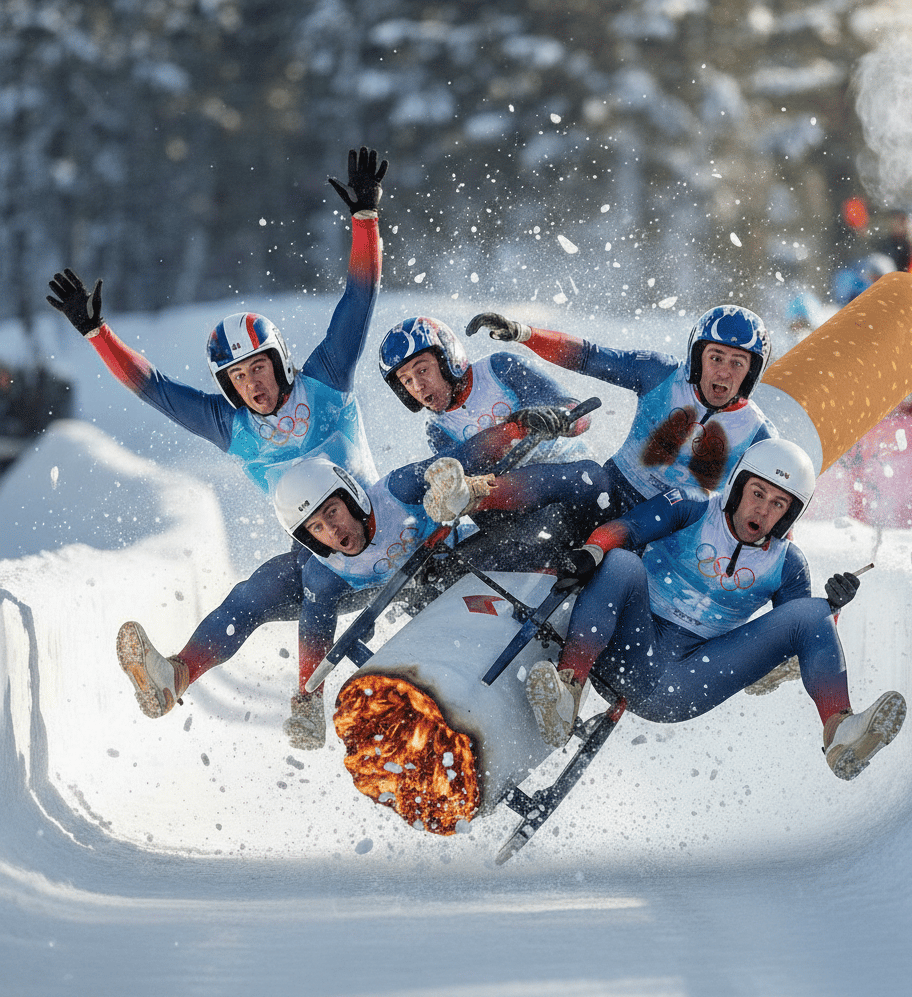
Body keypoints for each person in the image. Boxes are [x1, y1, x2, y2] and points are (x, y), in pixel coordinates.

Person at [47, 147, 389, 736]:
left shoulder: (327, 379)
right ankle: (175, 677)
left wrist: (364, 219)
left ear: (280, 362)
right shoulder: (227, 426)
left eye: (258, 368)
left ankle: (308, 695)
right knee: (251, 595)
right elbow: (151, 387)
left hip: (380, 534)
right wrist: (98, 333)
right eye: (237, 378)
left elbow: (359, 298)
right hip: (320, 556)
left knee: (320, 574)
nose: (251, 384)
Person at [116, 417, 612, 748]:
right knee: (259, 590)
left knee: (518, 536)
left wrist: (518, 427)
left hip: (442, 564)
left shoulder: (394, 491)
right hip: (389, 591)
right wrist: (308, 697)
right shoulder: (323, 567)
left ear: (353, 498)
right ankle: (178, 674)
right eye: (318, 529)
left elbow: (461, 458)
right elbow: (316, 629)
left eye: (334, 513)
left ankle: (589, 560)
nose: (335, 532)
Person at [524, 438, 906, 783]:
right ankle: (567, 691)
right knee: (621, 562)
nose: (763, 510)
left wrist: (832, 609)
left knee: (812, 613)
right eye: (758, 493)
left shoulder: (789, 564)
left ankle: (840, 732)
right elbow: (626, 528)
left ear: (790, 516)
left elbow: (795, 652)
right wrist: (592, 551)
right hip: (626, 647)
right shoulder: (692, 505)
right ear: (738, 487)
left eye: (778, 505)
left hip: (686, 682)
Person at [466, 304, 777, 516]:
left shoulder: (760, 436)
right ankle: (473, 495)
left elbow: (775, 512)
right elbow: (589, 356)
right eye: (716, 358)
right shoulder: (661, 373)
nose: (723, 372)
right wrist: (524, 333)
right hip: (610, 494)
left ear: (751, 374)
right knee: (585, 474)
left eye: (737, 363)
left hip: (672, 535)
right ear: (697, 358)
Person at [378, 315, 592, 465]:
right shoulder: (438, 430)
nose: (418, 386)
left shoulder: (500, 367)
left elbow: (582, 415)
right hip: (524, 501)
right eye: (406, 381)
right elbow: (467, 485)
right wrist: (512, 431)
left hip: (573, 469)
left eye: (423, 370)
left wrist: (561, 420)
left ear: (447, 357)